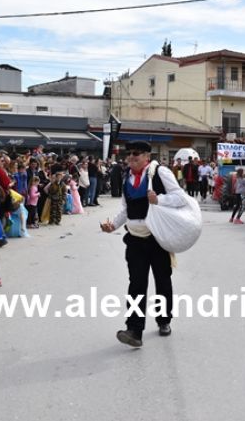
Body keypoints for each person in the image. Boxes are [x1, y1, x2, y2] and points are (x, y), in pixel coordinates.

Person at [101, 140, 186, 348]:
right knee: (136, 284)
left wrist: (159, 200)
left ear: (147, 156)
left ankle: (164, 319)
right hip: (135, 239)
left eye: (136, 154)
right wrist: (113, 224)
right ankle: (134, 330)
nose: (131, 157)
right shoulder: (126, 177)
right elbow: (125, 209)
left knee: (162, 281)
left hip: (157, 238)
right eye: (128, 154)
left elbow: (180, 197)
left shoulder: (160, 173)